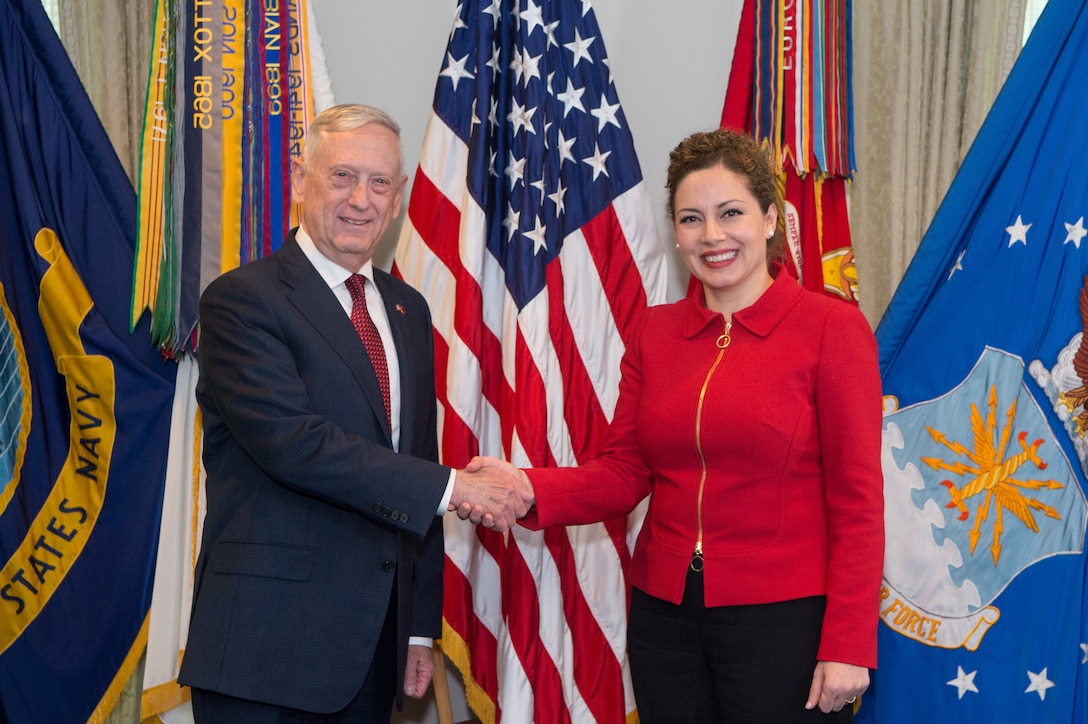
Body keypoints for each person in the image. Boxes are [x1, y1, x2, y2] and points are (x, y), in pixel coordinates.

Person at [466, 128, 884, 722]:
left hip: (785, 623)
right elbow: (624, 471)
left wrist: (847, 643)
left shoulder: (831, 330)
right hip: (664, 620)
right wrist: (528, 486)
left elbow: (858, 501)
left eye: (730, 213)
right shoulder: (656, 333)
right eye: (691, 219)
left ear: (769, 219)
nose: (711, 236)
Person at [178, 104, 526, 722]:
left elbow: (413, 460)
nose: (360, 200)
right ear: (299, 181)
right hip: (266, 654)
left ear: (398, 200)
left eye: (380, 182)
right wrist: (457, 487)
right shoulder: (240, 301)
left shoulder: (406, 310)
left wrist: (418, 626)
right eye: (341, 177)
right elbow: (295, 444)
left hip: (371, 654)